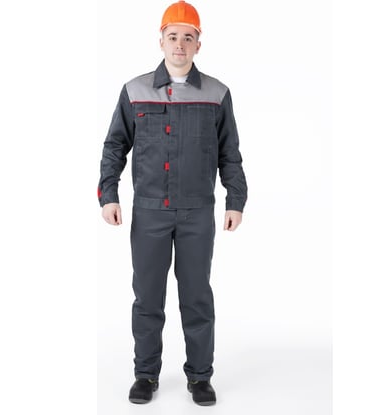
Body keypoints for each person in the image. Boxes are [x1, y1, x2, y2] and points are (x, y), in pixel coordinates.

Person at [97, 0, 247, 406]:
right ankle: (145, 375)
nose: (180, 44)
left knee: (197, 297)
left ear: (199, 44)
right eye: (173, 36)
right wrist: (108, 194)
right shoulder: (135, 90)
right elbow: (115, 146)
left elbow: (229, 152)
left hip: (198, 212)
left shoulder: (217, 93)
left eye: (188, 37)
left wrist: (235, 199)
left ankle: (200, 377)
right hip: (149, 211)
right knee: (147, 297)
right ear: (160, 40)